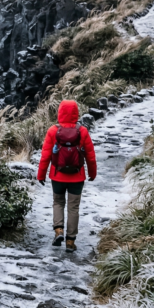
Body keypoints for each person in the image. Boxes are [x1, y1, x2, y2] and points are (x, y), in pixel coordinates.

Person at [36, 100, 97, 251]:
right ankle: (70, 242)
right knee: (73, 208)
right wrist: (92, 172)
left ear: (60, 112)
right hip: (77, 176)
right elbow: (90, 155)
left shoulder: (53, 131)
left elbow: (45, 155)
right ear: (76, 113)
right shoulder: (82, 131)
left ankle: (58, 231)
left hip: (57, 175)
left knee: (58, 202)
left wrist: (41, 174)